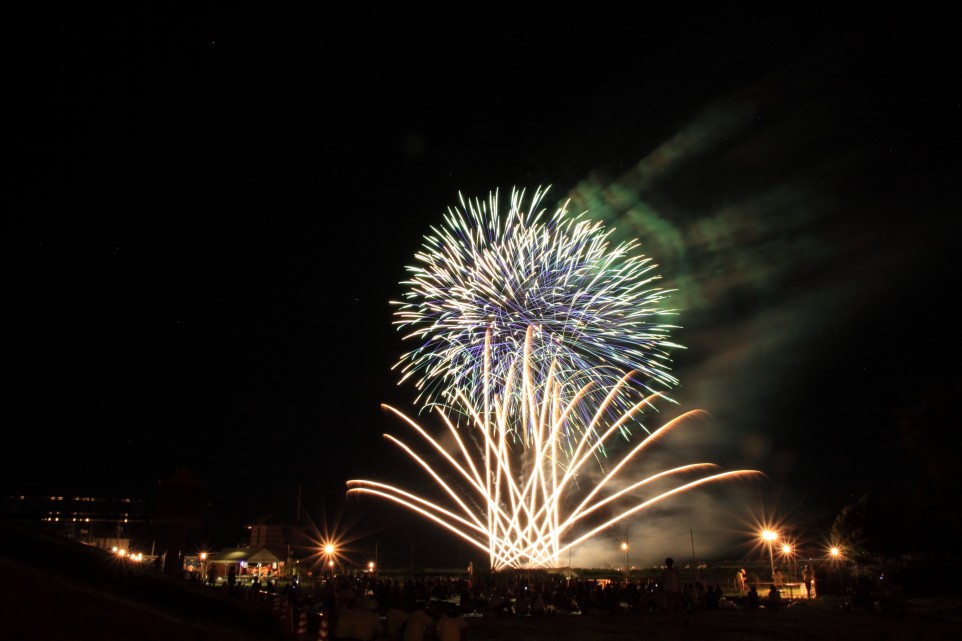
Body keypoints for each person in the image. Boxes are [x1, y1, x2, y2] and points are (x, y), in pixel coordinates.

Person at [660, 557, 683, 621]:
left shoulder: (664, 573)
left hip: (669, 591)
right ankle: (680, 616)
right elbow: (679, 581)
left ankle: (670, 618)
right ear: (672, 563)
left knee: (670, 606)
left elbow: (663, 583)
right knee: (679, 605)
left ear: (666, 564)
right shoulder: (675, 571)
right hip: (676, 590)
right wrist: (679, 589)